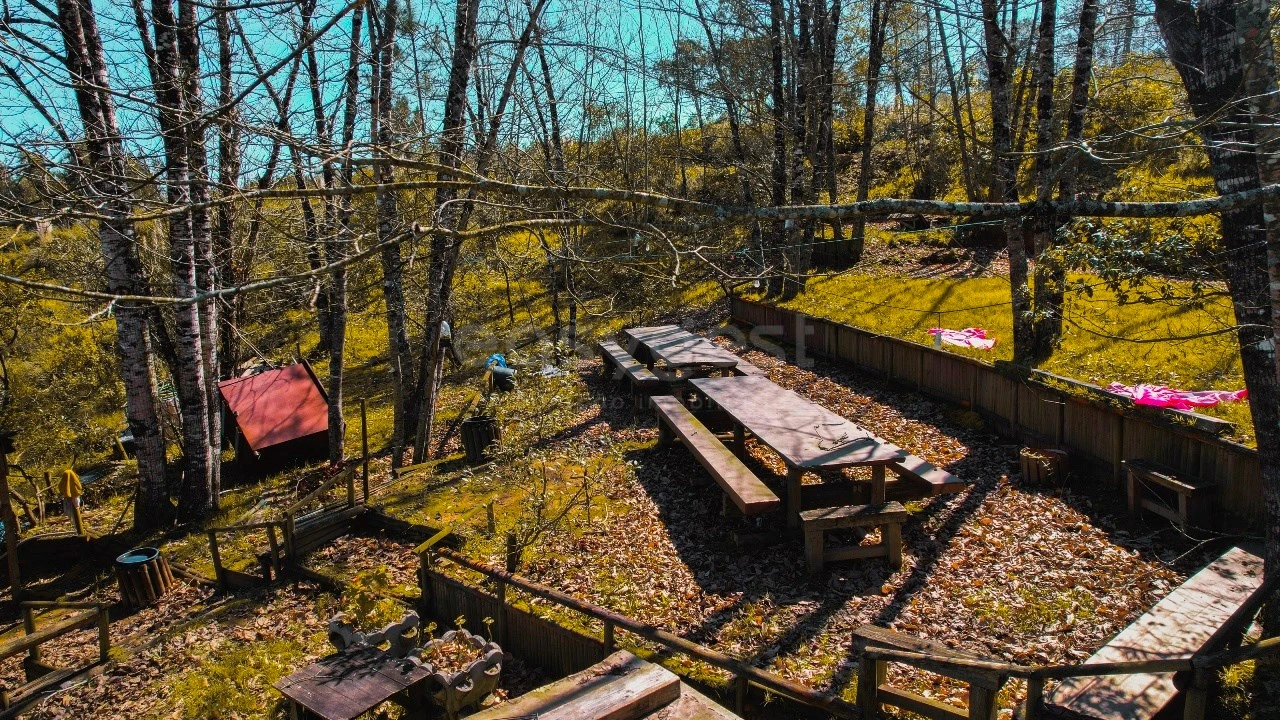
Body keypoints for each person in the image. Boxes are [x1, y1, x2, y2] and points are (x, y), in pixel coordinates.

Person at [59, 467, 84, 534]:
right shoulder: (74, 478)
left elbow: (61, 488)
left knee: (74, 513)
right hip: (73, 498)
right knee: (75, 512)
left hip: (71, 499)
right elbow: (79, 487)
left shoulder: (66, 478)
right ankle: (78, 528)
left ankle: (79, 529)